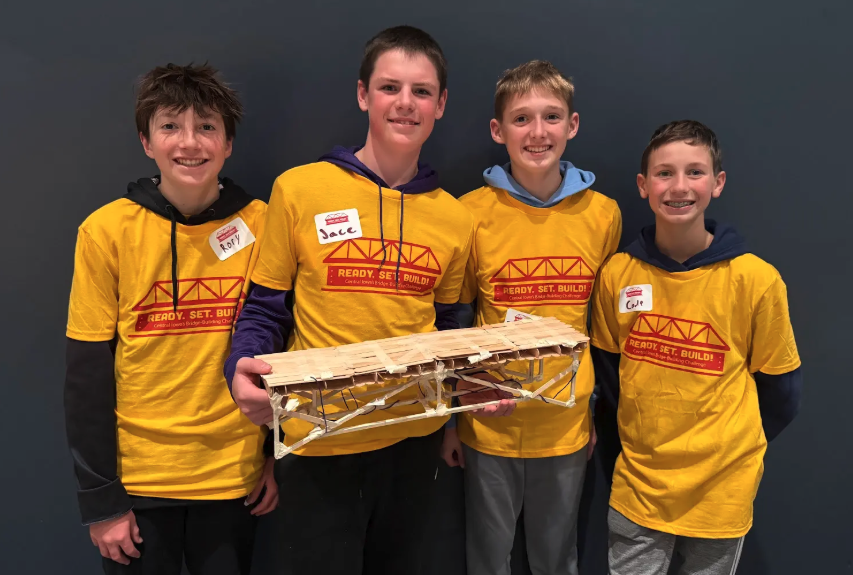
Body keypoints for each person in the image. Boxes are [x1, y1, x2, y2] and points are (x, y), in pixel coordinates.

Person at [224, 26, 474, 575]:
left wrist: (474, 394)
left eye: (421, 91)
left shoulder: (456, 218)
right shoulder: (300, 189)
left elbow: (453, 328)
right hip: (320, 439)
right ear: (364, 95)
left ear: (441, 105)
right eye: (390, 88)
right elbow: (266, 308)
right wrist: (239, 371)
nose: (405, 103)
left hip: (414, 442)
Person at [64, 63, 277, 575]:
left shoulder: (263, 223)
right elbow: (86, 374)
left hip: (235, 480)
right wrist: (101, 502)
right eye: (170, 126)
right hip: (139, 487)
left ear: (228, 144)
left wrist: (276, 456)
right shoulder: (105, 231)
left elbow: (280, 346)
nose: (190, 143)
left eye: (207, 127)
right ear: (146, 141)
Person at [590, 119, 802, 575]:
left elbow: (781, 392)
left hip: (720, 495)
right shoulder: (618, 274)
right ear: (644, 186)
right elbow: (608, 380)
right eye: (664, 173)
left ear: (718, 183)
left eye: (695, 172)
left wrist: (731, 451)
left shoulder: (755, 280)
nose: (679, 186)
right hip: (639, 488)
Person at [440, 60, 622, 575]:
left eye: (551, 116)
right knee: (487, 558)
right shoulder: (470, 212)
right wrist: (454, 416)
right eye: (521, 119)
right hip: (489, 423)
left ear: (573, 125)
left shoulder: (602, 214)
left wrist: (592, 416)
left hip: (564, 425)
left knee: (556, 557)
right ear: (498, 131)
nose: (537, 132)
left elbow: (600, 323)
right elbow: (459, 318)